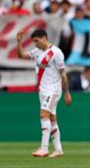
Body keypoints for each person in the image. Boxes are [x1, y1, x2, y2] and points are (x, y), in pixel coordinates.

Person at [16, 29, 72, 157]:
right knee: (52, 119)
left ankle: (44, 148)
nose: (35, 44)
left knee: (43, 115)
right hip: (43, 90)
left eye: (37, 41)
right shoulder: (37, 52)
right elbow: (21, 56)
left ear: (44, 38)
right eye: (34, 42)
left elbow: (63, 74)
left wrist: (67, 93)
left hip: (53, 90)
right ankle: (58, 149)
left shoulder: (56, 53)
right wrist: (19, 42)